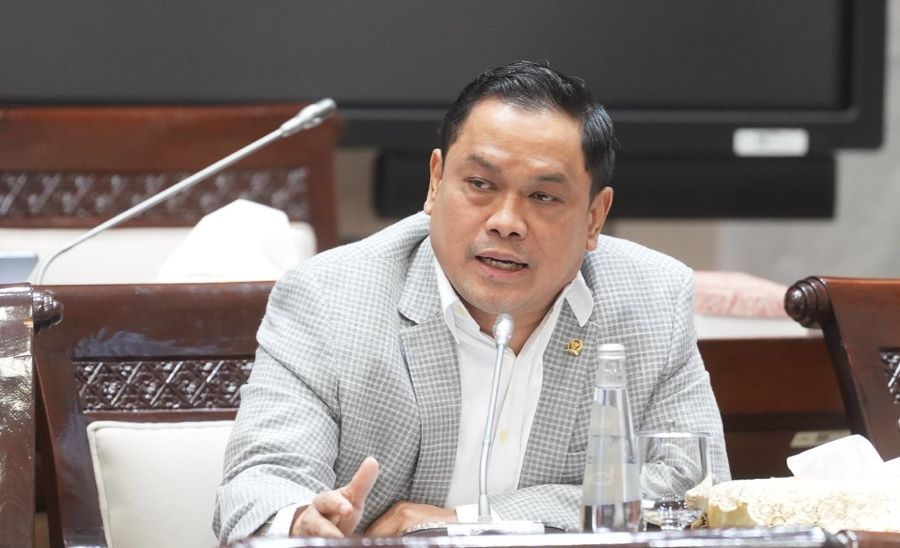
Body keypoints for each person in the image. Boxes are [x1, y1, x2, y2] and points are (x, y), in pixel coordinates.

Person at [214, 60, 730, 542]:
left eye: (543, 196)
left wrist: (470, 522)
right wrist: (299, 522)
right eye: (481, 184)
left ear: (594, 217)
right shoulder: (330, 298)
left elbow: (694, 490)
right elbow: (260, 482)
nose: (506, 221)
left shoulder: (652, 299)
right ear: (436, 182)